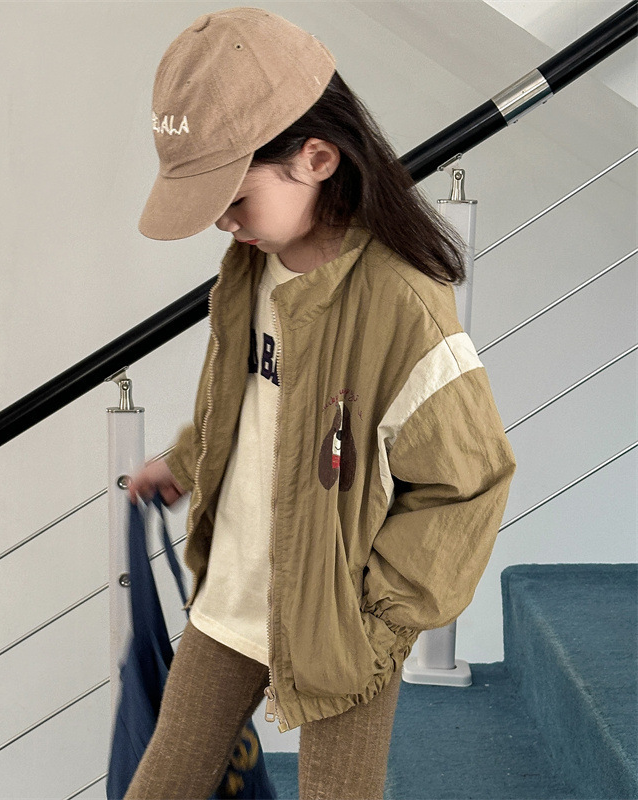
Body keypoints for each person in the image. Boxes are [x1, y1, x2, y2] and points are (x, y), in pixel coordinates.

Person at [126, 7, 517, 800]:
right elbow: (243, 399)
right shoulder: (248, 270)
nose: (225, 224)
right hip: (229, 600)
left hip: (342, 628)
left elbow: (468, 484)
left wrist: (379, 617)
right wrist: (187, 459)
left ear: (316, 157)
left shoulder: (402, 306)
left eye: (235, 198)